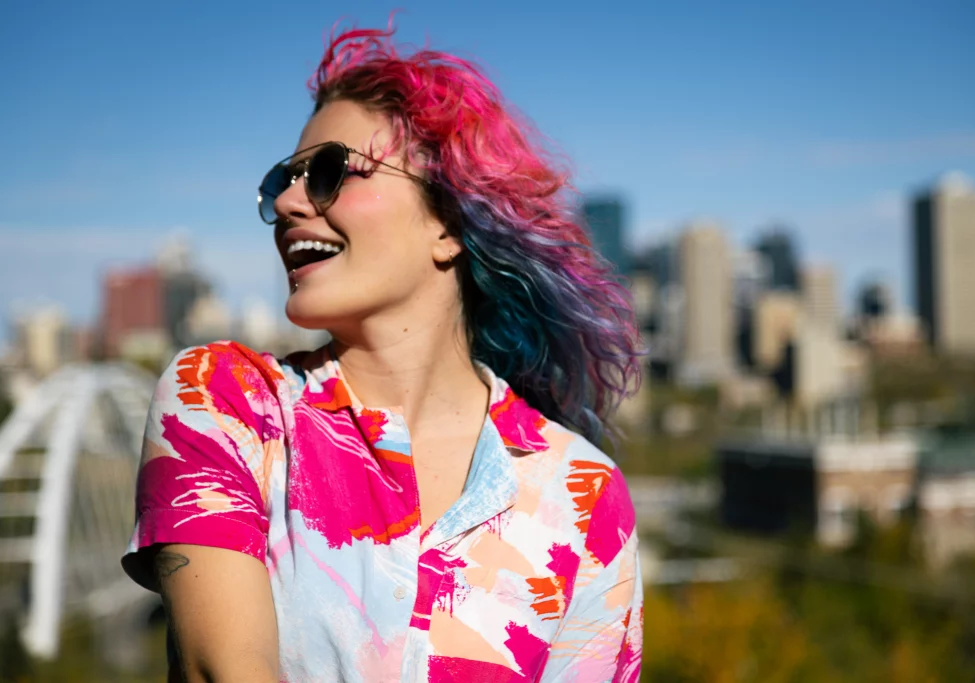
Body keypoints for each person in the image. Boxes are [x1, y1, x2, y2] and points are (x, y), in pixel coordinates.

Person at [122, 21, 644, 683]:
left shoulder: (585, 494)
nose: (286, 202)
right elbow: (224, 670)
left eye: (330, 172)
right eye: (284, 179)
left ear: (449, 224)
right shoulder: (225, 402)